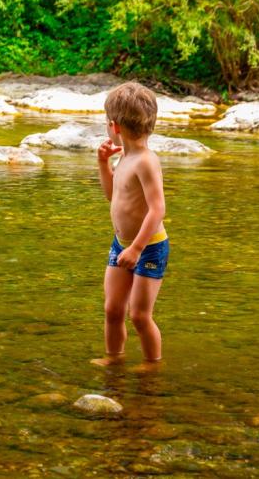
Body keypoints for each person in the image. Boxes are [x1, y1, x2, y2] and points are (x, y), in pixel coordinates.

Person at [92, 82, 168, 369]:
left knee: (139, 314)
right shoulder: (125, 156)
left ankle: (152, 364)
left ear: (114, 126)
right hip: (121, 245)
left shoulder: (146, 161)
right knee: (112, 309)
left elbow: (158, 209)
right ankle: (114, 359)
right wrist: (103, 165)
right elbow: (113, 195)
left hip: (148, 248)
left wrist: (137, 248)